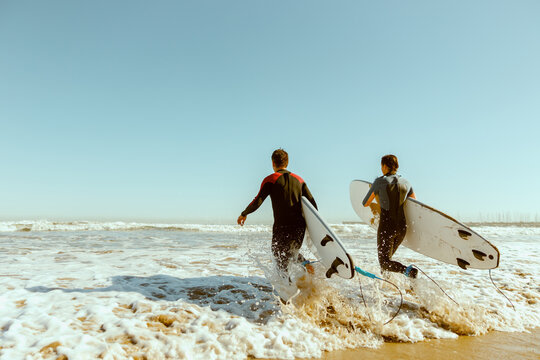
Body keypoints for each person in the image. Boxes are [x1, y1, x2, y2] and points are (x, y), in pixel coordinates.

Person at [237, 149, 317, 276]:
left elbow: (258, 200)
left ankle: (286, 291)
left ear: (273, 163)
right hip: (299, 227)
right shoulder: (299, 180)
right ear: (287, 162)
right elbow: (313, 204)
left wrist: (244, 213)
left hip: (282, 226)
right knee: (292, 253)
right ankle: (305, 266)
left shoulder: (271, 179)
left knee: (280, 257)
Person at [362, 154, 418, 278]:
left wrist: (376, 191)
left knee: (384, 262)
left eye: (381, 166)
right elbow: (414, 203)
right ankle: (388, 286)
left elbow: (365, 203)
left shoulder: (379, 181)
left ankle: (409, 272)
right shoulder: (407, 183)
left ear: (385, 166)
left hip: (387, 227)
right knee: (388, 260)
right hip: (402, 228)